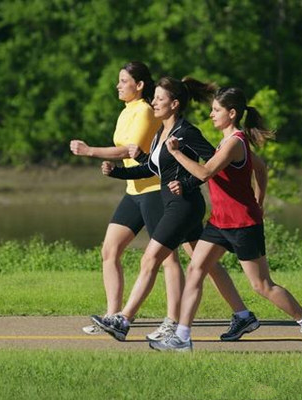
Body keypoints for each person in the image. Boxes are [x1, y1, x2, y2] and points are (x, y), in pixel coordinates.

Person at [150, 87, 302, 354]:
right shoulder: (225, 143)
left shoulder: (234, 142)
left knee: (262, 285)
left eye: (216, 110)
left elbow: (206, 171)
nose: (211, 114)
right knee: (195, 270)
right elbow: (260, 168)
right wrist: (260, 198)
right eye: (212, 109)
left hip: (243, 224)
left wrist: (177, 153)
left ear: (231, 113)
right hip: (219, 223)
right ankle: (183, 338)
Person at [91, 77, 261, 342]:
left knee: (150, 259)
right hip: (176, 203)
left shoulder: (187, 132)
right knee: (206, 264)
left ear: (174, 104)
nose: (154, 102)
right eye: (154, 98)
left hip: (184, 206)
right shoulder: (162, 132)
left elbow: (211, 164)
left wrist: (188, 182)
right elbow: (153, 168)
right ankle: (242, 315)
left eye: (159, 98)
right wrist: (117, 172)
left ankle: (123, 320)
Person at [70, 61, 187, 339]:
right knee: (109, 251)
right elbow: (127, 151)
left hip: (153, 192)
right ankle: (112, 316)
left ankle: (173, 320)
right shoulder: (126, 112)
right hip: (133, 192)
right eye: (119, 81)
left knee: (168, 258)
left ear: (140, 85)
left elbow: (127, 150)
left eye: (124, 81)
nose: (118, 85)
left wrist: (90, 151)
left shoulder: (146, 111)